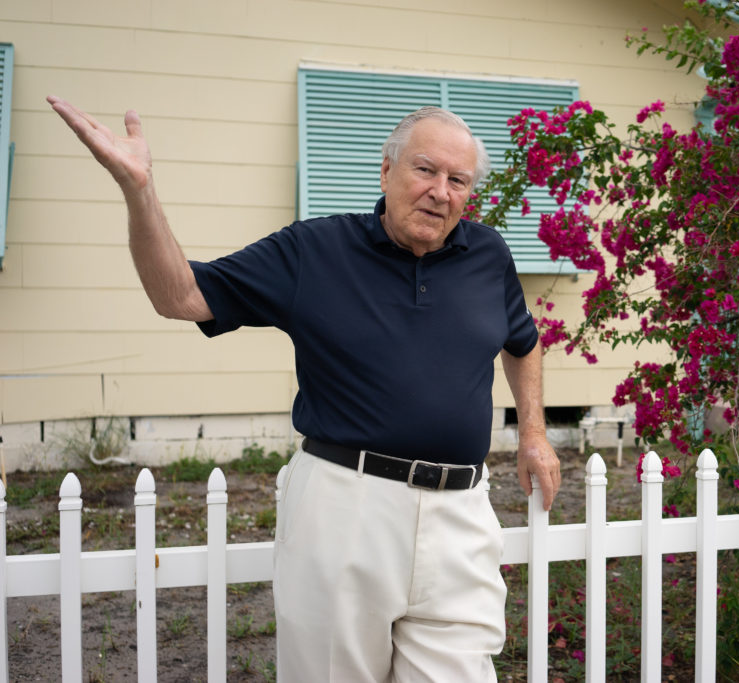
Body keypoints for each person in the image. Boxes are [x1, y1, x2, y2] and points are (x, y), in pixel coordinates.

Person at [47, 96, 561, 682]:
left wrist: (535, 435)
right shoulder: (313, 251)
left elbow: (522, 341)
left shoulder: (488, 255)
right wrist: (140, 192)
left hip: (462, 513)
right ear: (386, 170)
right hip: (347, 505)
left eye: (458, 179)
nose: (440, 191)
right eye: (425, 170)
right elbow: (181, 296)